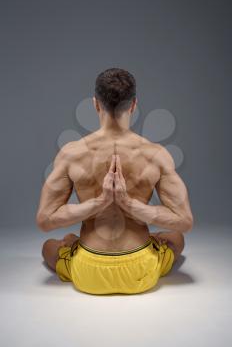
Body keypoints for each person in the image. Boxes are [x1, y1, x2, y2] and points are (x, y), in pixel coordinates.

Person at [36, 68, 194, 295]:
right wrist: (131, 205)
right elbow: (185, 222)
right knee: (175, 238)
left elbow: (45, 221)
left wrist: (97, 203)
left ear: (95, 104)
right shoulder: (156, 154)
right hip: (141, 270)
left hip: (88, 271)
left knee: (50, 247)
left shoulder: (71, 154)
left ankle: (72, 248)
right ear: (134, 105)